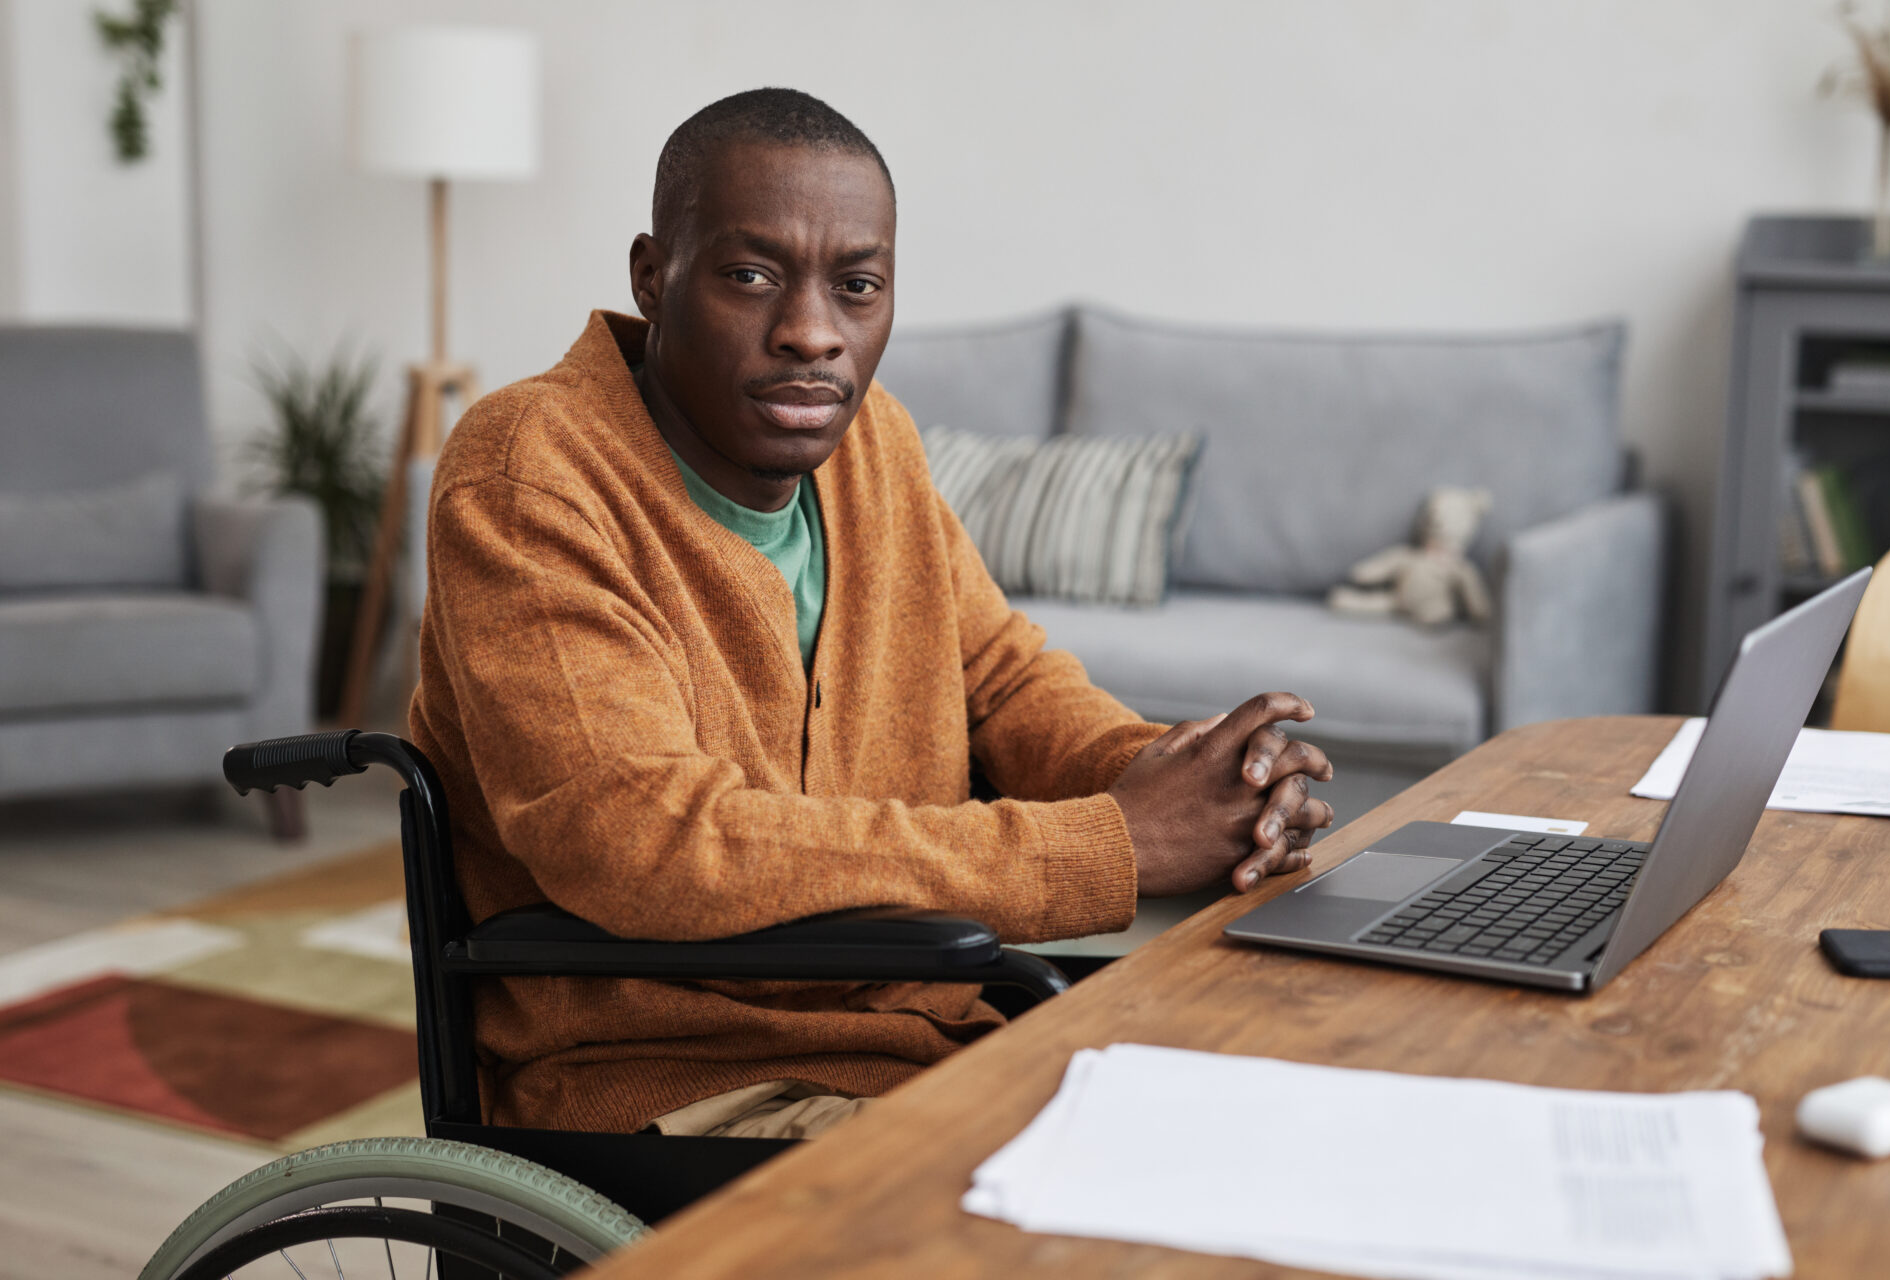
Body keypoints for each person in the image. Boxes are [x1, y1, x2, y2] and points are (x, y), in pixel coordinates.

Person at [409, 88, 1333, 1141]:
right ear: (653, 277)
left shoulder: (874, 443)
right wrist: (1108, 844)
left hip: (926, 1030)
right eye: (752, 275)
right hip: (672, 1077)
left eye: (857, 286)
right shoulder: (532, 471)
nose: (811, 334)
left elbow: (1005, 683)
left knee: (1279, 1109)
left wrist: (1197, 782)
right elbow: (641, 839)